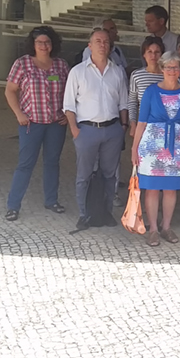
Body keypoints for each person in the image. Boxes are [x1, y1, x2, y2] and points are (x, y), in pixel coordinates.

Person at [64, 27, 130, 232]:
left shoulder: (117, 71)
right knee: (84, 175)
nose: (102, 44)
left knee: (110, 175)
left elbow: (123, 103)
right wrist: (75, 130)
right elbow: (68, 105)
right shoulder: (77, 72)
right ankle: (84, 214)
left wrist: (123, 127)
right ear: (89, 46)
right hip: (86, 130)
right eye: (98, 41)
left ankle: (106, 212)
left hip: (112, 130)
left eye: (106, 41)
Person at [5, 26, 70, 222]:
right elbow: (10, 90)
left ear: (53, 44)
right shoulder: (22, 64)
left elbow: (71, 92)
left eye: (47, 42)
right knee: (26, 164)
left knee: (52, 162)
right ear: (33, 44)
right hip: (31, 123)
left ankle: (51, 200)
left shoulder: (61, 65)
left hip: (56, 124)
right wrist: (18, 113)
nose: (44, 45)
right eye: (39, 42)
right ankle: (13, 206)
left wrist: (68, 114)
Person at [131, 55, 180, 246]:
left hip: (177, 147)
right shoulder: (151, 91)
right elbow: (141, 122)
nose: (172, 71)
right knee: (152, 189)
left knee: (170, 189)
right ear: (162, 69)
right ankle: (153, 229)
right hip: (152, 147)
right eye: (168, 67)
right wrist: (134, 148)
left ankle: (166, 226)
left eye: (175, 67)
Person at [128, 37, 166, 133]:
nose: (153, 55)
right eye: (150, 52)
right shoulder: (136, 75)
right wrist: (133, 123)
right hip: (144, 126)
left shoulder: (170, 75)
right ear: (144, 54)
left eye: (157, 52)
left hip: (165, 126)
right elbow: (132, 101)